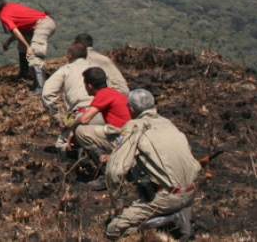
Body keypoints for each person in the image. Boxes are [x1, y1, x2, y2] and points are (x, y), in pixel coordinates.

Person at [104, 89, 200, 240]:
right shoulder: (167, 122)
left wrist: (118, 206)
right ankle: (175, 218)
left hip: (168, 197)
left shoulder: (135, 126)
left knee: (113, 230)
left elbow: (115, 170)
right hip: (191, 192)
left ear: (131, 109)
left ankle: (166, 220)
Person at [42, 43, 102, 148]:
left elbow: (47, 93)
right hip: (103, 112)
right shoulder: (98, 69)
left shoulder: (66, 70)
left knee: (61, 144)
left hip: (79, 111)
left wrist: (60, 117)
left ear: (69, 55)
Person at [0, 0, 56, 90]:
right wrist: (8, 42)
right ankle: (24, 73)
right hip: (39, 24)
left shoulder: (3, 15)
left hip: (43, 24)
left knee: (35, 50)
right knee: (22, 45)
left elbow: (16, 31)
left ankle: (40, 86)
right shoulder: (10, 6)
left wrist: (28, 47)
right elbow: (20, 30)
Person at [73, 67, 131, 158]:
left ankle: (102, 157)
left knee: (80, 131)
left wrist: (72, 124)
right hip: (128, 133)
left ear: (89, 86)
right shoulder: (114, 92)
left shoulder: (102, 94)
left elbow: (85, 119)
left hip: (121, 137)